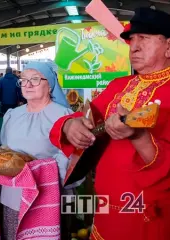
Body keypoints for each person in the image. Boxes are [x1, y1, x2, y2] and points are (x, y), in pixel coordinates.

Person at [49, 8, 170, 240]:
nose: (134, 47)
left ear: (168, 47)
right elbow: (85, 119)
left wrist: (138, 136)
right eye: (132, 39)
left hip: (150, 218)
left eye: (144, 38)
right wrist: (69, 126)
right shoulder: (118, 85)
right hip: (105, 211)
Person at [0, 62, 79, 239]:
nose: (27, 85)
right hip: (15, 197)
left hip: (49, 195)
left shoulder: (63, 116)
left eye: (35, 79)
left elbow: (71, 158)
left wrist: (35, 168)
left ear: (49, 85)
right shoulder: (12, 115)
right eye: (24, 80)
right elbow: (4, 148)